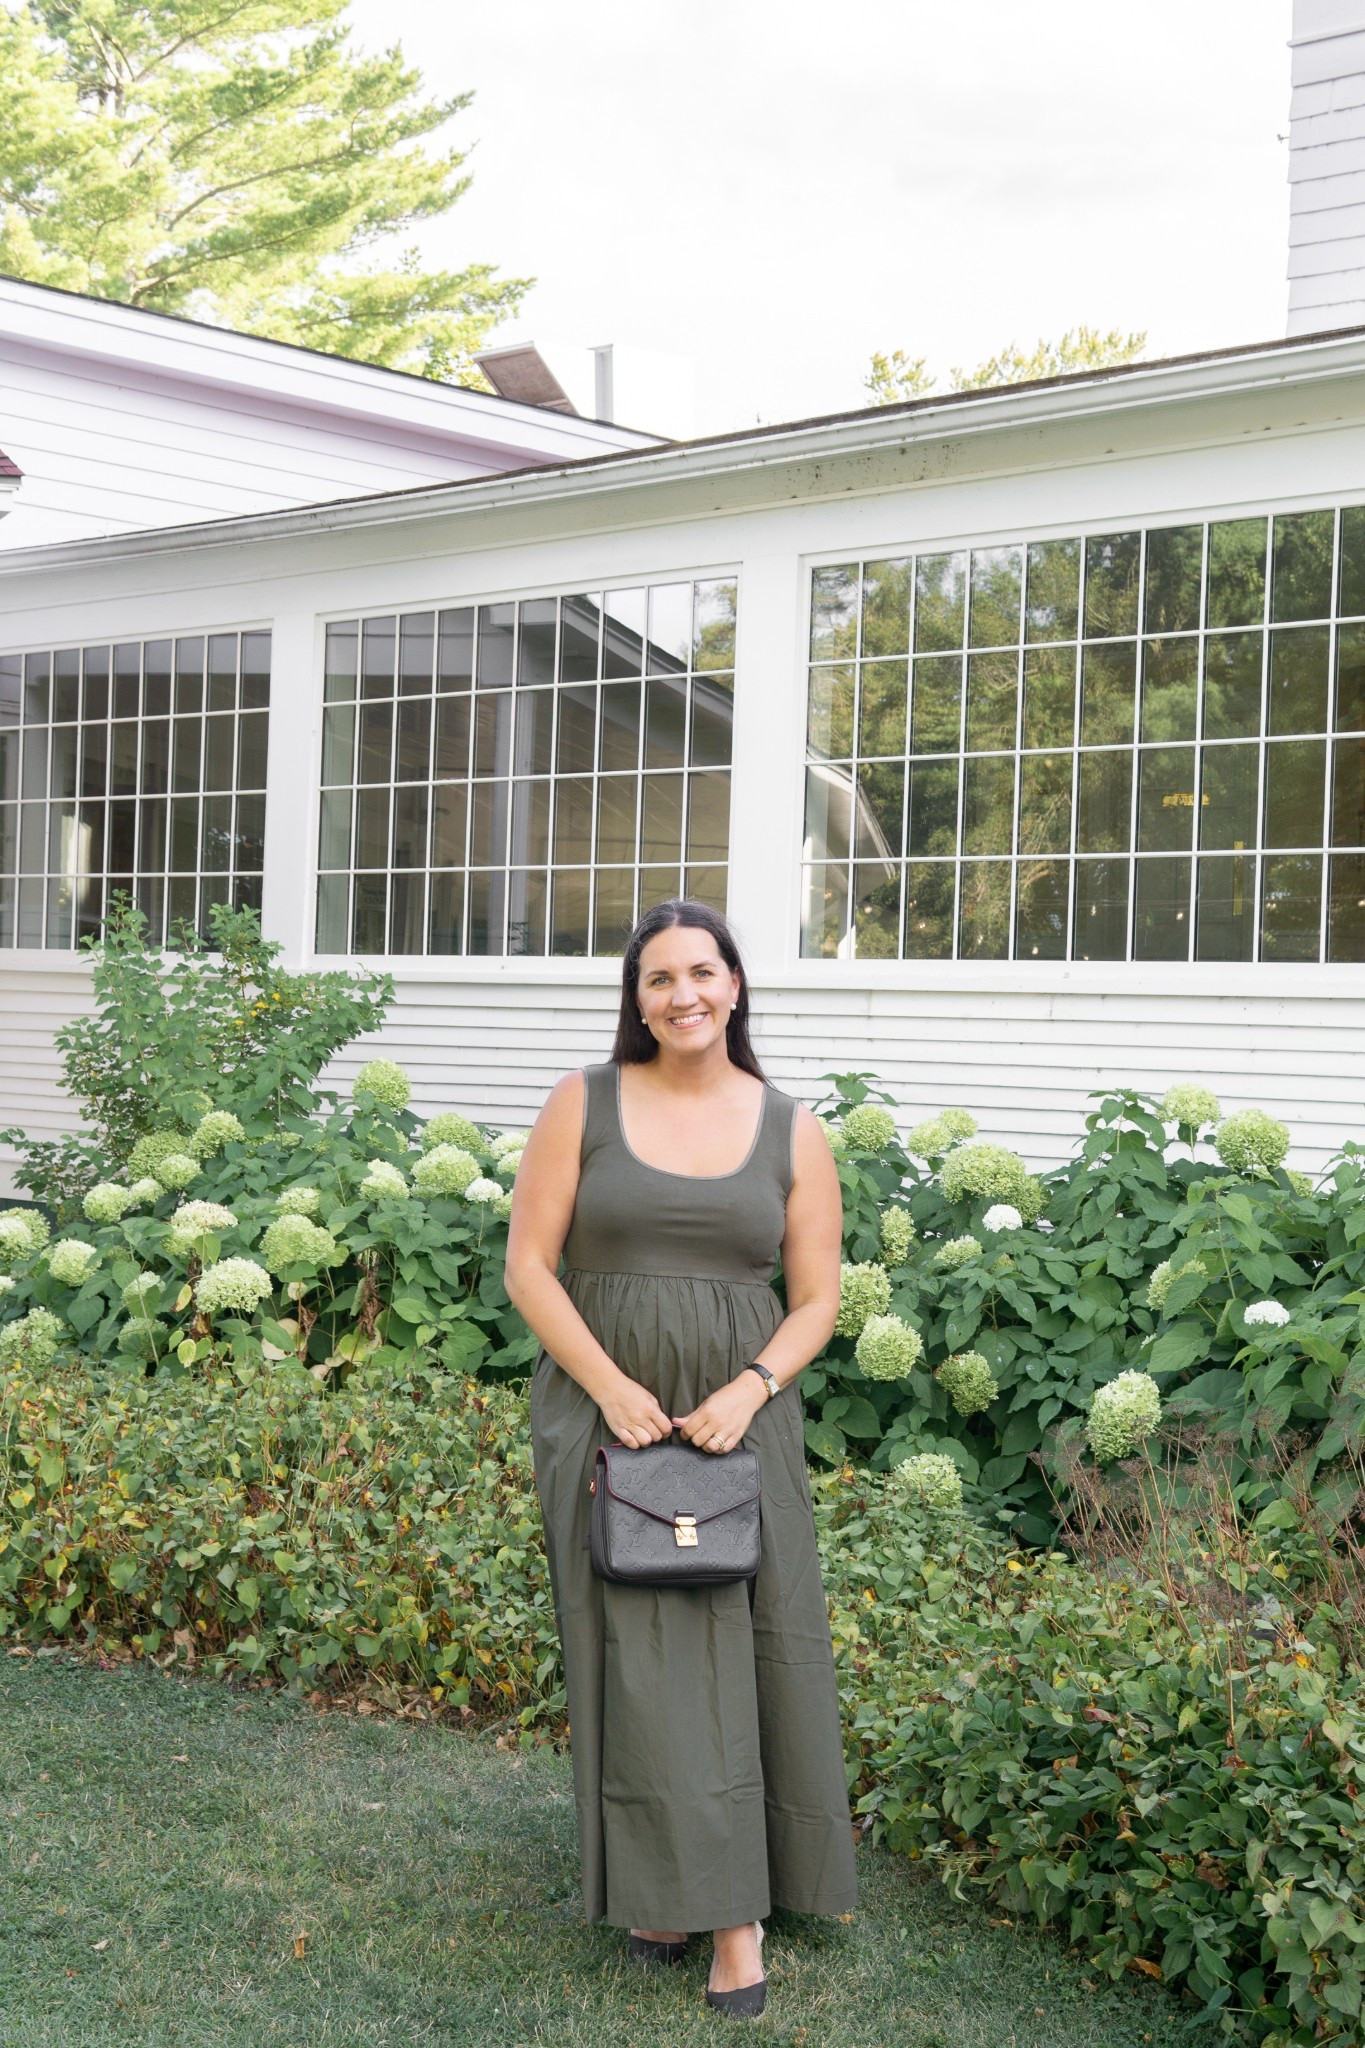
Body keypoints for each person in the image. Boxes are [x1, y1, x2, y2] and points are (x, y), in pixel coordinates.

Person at [504, 898, 857, 2020]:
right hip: (604, 1412)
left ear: (734, 985)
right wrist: (611, 1388)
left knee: (746, 1646)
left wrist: (749, 1388)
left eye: (701, 971)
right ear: (638, 998)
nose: (683, 993)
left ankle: (735, 1913)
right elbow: (528, 1267)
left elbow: (817, 1300)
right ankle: (672, 1892)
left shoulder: (791, 1128)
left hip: (736, 1422)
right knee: (636, 1651)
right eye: (659, 978)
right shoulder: (584, 1102)